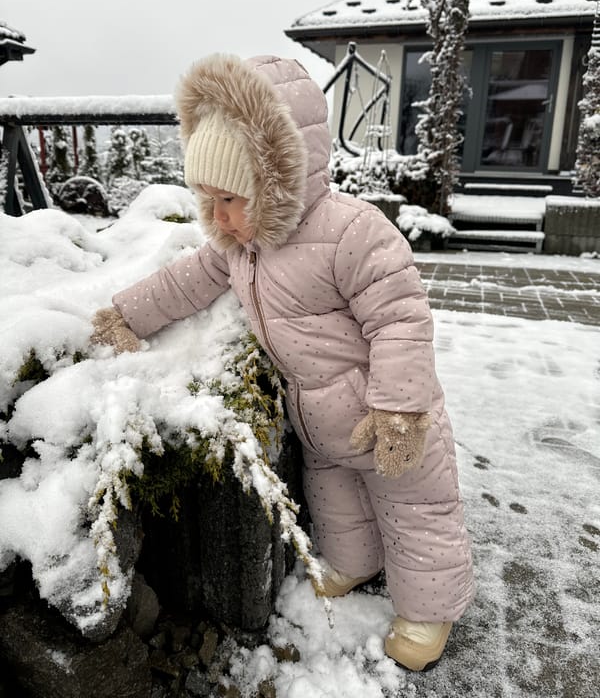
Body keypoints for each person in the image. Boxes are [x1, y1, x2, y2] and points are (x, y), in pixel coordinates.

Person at [91, 53, 474, 672]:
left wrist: (400, 409)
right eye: (205, 200)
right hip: (320, 424)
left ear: (276, 179)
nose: (216, 218)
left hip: (389, 421)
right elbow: (183, 282)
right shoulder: (237, 249)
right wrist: (127, 316)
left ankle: (429, 608)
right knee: (337, 505)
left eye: (230, 199)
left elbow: (400, 318)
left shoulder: (352, 232)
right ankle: (354, 564)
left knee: (416, 511)